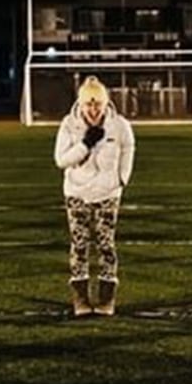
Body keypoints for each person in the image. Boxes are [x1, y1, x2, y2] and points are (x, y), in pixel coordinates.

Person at [54, 75, 135, 317]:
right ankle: (80, 298)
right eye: (88, 104)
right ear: (80, 103)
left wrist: (122, 178)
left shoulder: (119, 125)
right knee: (79, 245)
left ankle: (106, 298)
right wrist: (85, 145)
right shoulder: (69, 125)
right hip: (76, 193)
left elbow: (129, 148)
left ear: (105, 103)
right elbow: (61, 160)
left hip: (108, 194)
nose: (93, 109)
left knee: (106, 245)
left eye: (97, 103)